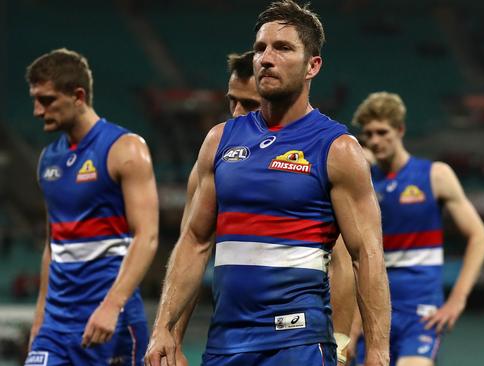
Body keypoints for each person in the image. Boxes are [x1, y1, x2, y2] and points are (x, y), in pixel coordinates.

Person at [144, 1, 391, 366]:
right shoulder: (219, 141)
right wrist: (164, 328)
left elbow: (365, 256)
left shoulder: (337, 149)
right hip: (225, 345)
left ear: (313, 65)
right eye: (260, 48)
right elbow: (194, 242)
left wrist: (378, 354)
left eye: (283, 48)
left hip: (297, 345)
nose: (266, 58)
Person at [170, 51, 357, 366]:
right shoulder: (215, 160)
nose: (238, 112)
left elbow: (342, 261)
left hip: (297, 342)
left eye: (250, 104)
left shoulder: (313, 160)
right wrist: (172, 338)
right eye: (233, 101)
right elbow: (192, 250)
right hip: (227, 344)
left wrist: (339, 342)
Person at [25, 48, 158, 365]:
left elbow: (148, 236)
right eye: (34, 100)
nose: (37, 111)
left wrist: (113, 305)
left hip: (111, 321)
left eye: (46, 100)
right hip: (55, 326)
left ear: (78, 95)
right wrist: (39, 321)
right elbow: (51, 246)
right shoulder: (48, 160)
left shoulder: (125, 149)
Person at [350, 92, 484, 366]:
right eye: (369, 134)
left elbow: (480, 237)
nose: (375, 140)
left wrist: (457, 300)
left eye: (382, 132)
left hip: (421, 308)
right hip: (374, 308)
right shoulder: (362, 181)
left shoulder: (435, 175)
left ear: (400, 130)